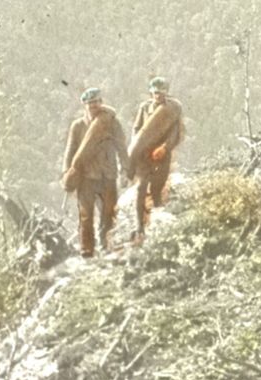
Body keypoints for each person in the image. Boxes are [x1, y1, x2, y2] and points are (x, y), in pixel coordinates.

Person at [61, 88, 128, 257]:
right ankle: (87, 250)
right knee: (86, 216)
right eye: (90, 103)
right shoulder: (78, 126)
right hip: (86, 178)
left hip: (108, 175)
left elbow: (122, 147)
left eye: (96, 102)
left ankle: (106, 246)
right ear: (84, 105)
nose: (93, 106)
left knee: (108, 214)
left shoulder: (111, 122)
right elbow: (70, 152)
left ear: (101, 102)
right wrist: (67, 175)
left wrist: (125, 170)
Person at [127, 76, 184, 242]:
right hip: (144, 155)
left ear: (166, 93)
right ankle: (139, 226)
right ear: (151, 93)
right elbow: (136, 128)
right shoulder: (144, 108)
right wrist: (135, 146)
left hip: (160, 155)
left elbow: (175, 133)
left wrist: (165, 148)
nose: (158, 96)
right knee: (141, 187)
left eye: (161, 93)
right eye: (155, 93)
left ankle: (158, 219)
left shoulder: (171, 109)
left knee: (158, 186)